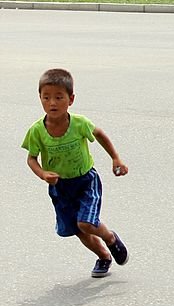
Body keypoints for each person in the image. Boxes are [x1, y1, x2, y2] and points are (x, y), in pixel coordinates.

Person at [21, 68, 129, 278]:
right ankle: (104, 257)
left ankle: (110, 238)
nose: (52, 103)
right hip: (60, 187)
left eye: (59, 97)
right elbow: (31, 159)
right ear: (40, 99)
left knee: (86, 223)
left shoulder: (79, 123)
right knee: (78, 230)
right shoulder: (36, 130)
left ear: (70, 99)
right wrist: (42, 174)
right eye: (47, 98)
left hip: (85, 181)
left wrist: (116, 158)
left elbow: (99, 134)